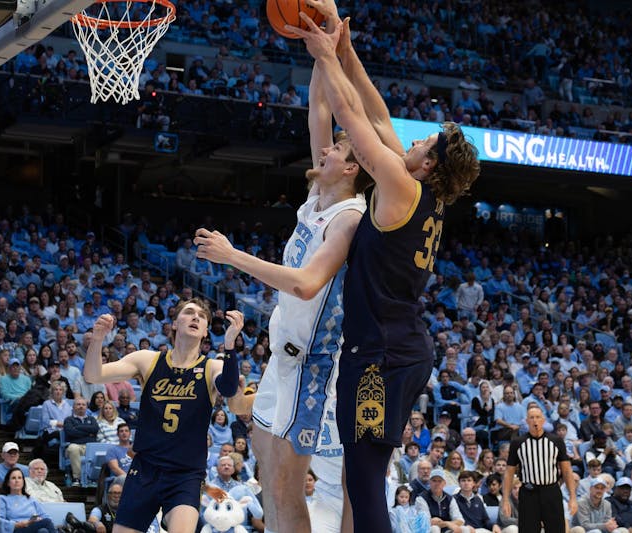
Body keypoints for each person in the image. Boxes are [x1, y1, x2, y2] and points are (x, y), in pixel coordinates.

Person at [286, 10, 480, 533]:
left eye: (425, 142)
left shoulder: (401, 185)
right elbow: (376, 112)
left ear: (430, 162)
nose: (412, 141)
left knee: (365, 478)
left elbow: (351, 117)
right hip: (396, 349)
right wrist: (346, 51)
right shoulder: (420, 190)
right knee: (363, 473)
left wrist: (324, 55)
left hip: (380, 356)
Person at [193, 16, 369, 533]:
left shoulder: (349, 216)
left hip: (314, 364)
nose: (327, 150)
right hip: (281, 360)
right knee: (269, 476)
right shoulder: (319, 198)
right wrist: (322, 47)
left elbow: (306, 283)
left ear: (352, 168)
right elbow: (318, 108)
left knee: (288, 486)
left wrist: (233, 256)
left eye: (338, 149)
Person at [83, 300, 243, 533]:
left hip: (185, 473)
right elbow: (93, 374)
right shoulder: (148, 360)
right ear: (175, 324)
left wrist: (229, 345)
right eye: (189, 313)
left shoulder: (212, 367)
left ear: (206, 330)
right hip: (145, 469)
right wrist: (97, 339)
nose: (195, 317)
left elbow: (228, 389)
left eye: (201, 315)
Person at [502, 406, 576, 533]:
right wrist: (505, 499)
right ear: (526, 421)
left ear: (543, 420)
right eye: (531, 417)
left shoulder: (556, 441)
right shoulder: (517, 443)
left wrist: (573, 497)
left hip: (551, 492)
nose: (535, 421)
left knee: (556, 530)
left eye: (538, 417)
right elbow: (509, 473)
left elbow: (567, 471)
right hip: (528, 493)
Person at [0, 467, 57, 533]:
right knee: (47, 522)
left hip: (32, 527)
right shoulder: (2, 499)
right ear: (8, 483)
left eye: (19, 478)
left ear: (23, 482)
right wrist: (16, 525)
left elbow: (45, 516)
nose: (17, 480)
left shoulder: (31, 499)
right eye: (13, 478)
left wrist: (39, 519)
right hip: (16, 529)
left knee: (43, 531)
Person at [413, 469, 467, 533]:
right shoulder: (421, 498)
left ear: (444, 483)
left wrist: (447, 523)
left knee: (464, 529)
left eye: (440, 481)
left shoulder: (449, 498)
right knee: (435, 528)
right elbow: (426, 522)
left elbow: (460, 520)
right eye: (434, 481)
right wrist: (446, 524)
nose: (437, 483)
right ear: (429, 482)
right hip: (428, 530)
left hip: (446, 529)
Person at [63, 396, 99, 486]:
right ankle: (77, 478)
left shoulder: (92, 419)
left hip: (90, 446)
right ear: (74, 407)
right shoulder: (68, 420)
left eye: (83, 404)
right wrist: (88, 433)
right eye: (78, 404)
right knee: (73, 448)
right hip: (75, 446)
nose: (81, 406)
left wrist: (78, 428)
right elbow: (70, 432)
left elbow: (95, 429)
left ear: (86, 407)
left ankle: (93, 478)